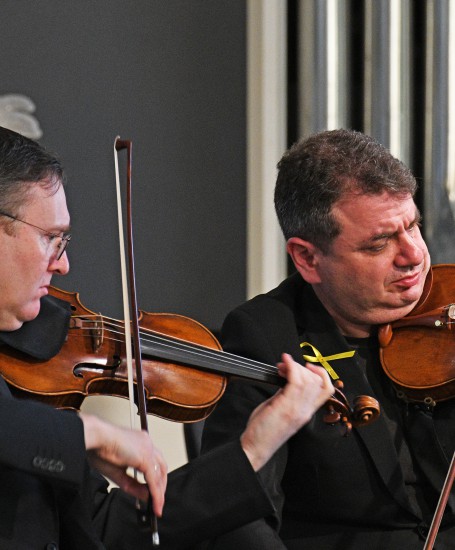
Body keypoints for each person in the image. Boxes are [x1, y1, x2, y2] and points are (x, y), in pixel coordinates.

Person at [0, 125, 334, 550]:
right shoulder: (52, 424)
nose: (63, 265)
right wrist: (91, 432)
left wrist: (252, 447)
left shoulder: (32, 381)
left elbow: (107, 531)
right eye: (51, 238)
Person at [200, 129, 455, 549]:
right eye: (379, 244)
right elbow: (236, 514)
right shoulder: (266, 336)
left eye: (413, 226)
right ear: (307, 258)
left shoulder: (446, 310)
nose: (414, 255)